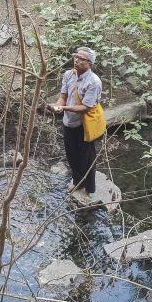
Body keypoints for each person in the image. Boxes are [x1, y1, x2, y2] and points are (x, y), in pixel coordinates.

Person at [51, 47, 102, 200]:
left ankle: (89, 188)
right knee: (71, 154)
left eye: (81, 58)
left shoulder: (93, 82)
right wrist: (58, 105)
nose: (77, 60)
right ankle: (78, 181)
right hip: (69, 122)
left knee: (87, 157)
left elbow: (86, 107)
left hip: (85, 124)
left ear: (90, 64)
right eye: (76, 57)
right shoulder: (68, 75)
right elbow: (63, 96)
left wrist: (64, 107)